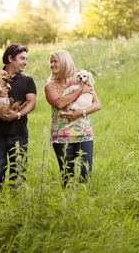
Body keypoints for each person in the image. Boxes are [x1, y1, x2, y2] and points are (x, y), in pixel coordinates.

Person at [0, 44, 37, 192]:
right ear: (10, 58)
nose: (25, 62)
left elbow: (32, 103)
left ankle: (16, 202)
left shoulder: (27, 80)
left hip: (19, 132)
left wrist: (17, 115)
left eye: (26, 59)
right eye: (22, 58)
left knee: (18, 171)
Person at [44, 50, 101, 185]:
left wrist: (80, 113)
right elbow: (59, 103)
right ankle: (67, 204)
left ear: (65, 62)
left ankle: (84, 203)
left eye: (55, 61)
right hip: (62, 134)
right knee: (67, 175)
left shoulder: (83, 79)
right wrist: (81, 90)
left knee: (85, 174)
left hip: (83, 132)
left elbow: (97, 104)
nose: (51, 65)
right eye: (50, 62)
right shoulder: (49, 86)